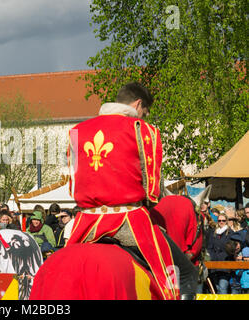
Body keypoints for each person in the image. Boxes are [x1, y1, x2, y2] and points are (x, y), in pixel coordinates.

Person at [64, 81, 197, 300]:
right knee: (186, 275)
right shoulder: (143, 130)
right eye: (144, 113)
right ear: (138, 104)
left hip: (84, 224)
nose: (143, 117)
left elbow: (73, 186)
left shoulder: (76, 131)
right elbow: (152, 190)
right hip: (130, 222)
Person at [206, 213, 234, 294]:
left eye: (223, 220)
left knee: (223, 287)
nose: (221, 222)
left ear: (226, 221)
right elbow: (209, 247)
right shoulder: (213, 233)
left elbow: (230, 249)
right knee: (216, 288)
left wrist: (221, 257)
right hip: (214, 265)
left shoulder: (230, 233)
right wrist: (212, 257)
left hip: (225, 265)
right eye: (219, 220)